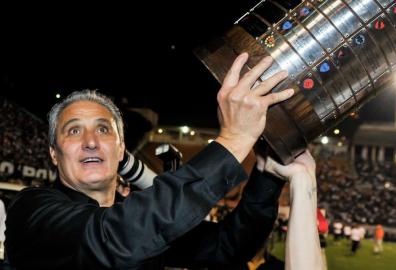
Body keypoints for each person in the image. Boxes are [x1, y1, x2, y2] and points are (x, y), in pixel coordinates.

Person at [4, 53, 315, 270]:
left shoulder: (137, 216)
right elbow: (116, 238)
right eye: (74, 131)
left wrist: (266, 173)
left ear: (121, 146)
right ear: (54, 154)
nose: (90, 141)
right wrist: (233, 140)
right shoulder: (31, 211)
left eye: (103, 129)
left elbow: (228, 247)